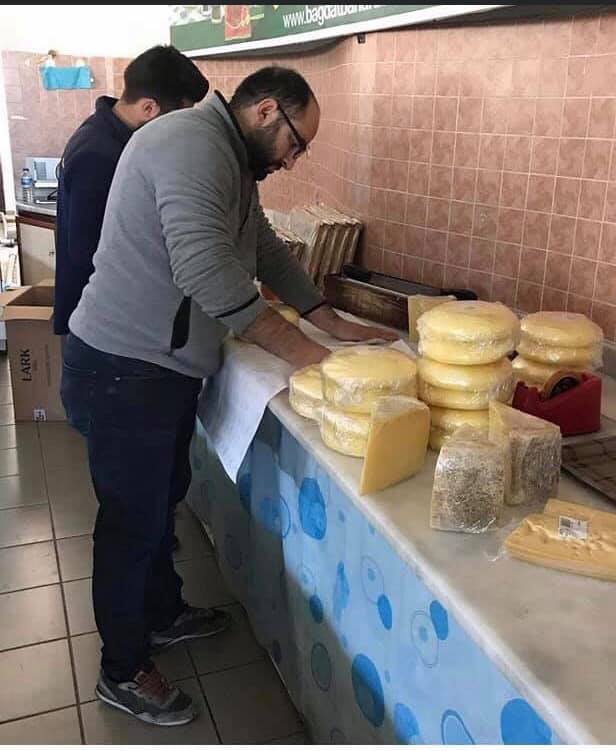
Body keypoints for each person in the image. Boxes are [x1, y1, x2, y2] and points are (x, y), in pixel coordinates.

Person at [60, 65, 396, 727]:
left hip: (157, 369)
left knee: (160, 502)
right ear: (266, 110)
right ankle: (122, 670)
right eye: (296, 143)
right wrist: (309, 356)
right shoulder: (191, 143)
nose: (293, 161)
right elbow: (205, 267)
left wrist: (324, 316)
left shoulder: (227, 158)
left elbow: (262, 248)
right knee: (131, 524)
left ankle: (162, 612)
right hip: (123, 368)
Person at [54, 45, 208, 556]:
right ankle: (138, 592)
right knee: (129, 502)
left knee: (146, 494)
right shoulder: (101, 154)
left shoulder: (114, 139)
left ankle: (155, 575)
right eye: (180, 119)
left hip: (118, 341)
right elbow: (94, 253)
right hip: (110, 343)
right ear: (149, 109)